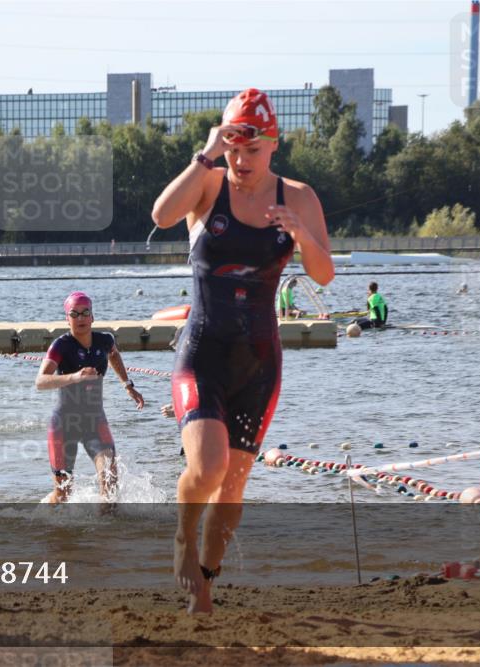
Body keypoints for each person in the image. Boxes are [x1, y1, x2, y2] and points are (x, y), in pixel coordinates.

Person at [151, 88, 333, 612]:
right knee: (205, 468)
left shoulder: (298, 196)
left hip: (258, 362)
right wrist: (205, 155)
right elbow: (163, 215)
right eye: (233, 148)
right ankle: (184, 541)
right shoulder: (207, 182)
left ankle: (205, 581)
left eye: (252, 151)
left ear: (272, 146)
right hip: (203, 353)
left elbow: (324, 273)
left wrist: (301, 234)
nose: (241, 160)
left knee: (232, 486)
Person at [35, 291, 145, 504]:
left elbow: (113, 354)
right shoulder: (61, 345)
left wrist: (127, 384)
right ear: (67, 319)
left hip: (95, 421)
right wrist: (75, 377)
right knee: (63, 495)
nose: (81, 318)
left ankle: (105, 535)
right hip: (64, 424)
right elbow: (40, 381)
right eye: (74, 313)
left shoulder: (105, 340)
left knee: (110, 483)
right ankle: (40, 517)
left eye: (86, 312)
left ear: (92, 317)